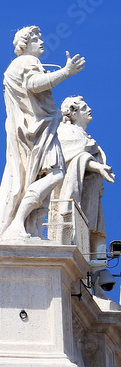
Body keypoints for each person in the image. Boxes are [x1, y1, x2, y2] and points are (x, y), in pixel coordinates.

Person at [0, 26, 85, 242]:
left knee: (36, 177)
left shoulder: (19, 65)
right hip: (35, 130)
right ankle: (18, 223)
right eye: (35, 39)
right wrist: (66, 72)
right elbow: (33, 84)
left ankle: (26, 224)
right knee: (56, 173)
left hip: (33, 129)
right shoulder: (26, 61)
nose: (41, 42)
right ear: (24, 44)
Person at [52, 96, 114, 253]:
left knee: (95, 228)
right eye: (85, 107)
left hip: (89, 188)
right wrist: (97, 167)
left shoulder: (84, 136)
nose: (89, 109)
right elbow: (69, 156)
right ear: (73, 112)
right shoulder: (65, 131)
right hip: (75, 190)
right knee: (78, 225)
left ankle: (99, 266)